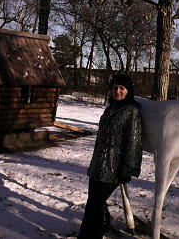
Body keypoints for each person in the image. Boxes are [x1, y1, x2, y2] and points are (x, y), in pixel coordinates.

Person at [77, 74, 143, 239]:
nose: (117, 91)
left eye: (122, 88)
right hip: (98, 166)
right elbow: (100, 138)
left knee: (94, 205)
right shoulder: (110, 109)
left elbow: (133, 143)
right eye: (115, 87)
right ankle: (100, 229)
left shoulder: (132, 112)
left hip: (114, 169)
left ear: (128, 91)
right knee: (95, 205)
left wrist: (127, 170)